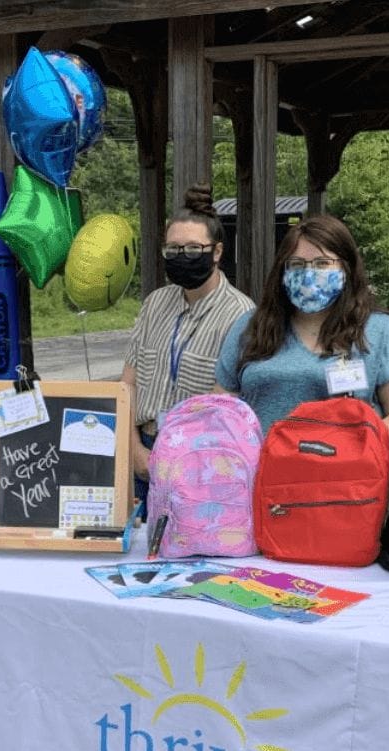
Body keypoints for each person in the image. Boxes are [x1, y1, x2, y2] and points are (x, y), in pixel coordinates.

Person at [214, 214, 389, 446]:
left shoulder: (380, 330)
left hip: (345, 475)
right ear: (282, 271)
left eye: (322, 263)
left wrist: (351, 442)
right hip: (260, 474)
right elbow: (222, 408)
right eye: (297, 264)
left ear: (346, 268)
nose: (308, 274)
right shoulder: (250, 326)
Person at [121, 184, 255, 510]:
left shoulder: (241, 315)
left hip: (201, 460)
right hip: (142, 451)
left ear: (217, 252)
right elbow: (128, 384)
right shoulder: (155, 304)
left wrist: (176, 460)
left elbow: (231, 410)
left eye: (194, 249)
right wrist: (134, 448)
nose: (184, 258)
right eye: (174, 250)